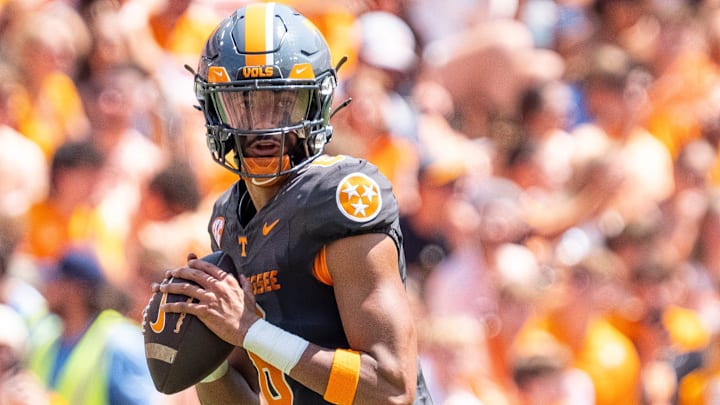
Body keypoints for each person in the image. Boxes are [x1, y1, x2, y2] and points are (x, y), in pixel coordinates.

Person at [152, 3, 432, 404]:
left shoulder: (340, 197)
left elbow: (390, 389)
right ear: (215, 110)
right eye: (244, 103)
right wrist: (207, 356)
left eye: (283, 102)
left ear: (314, 103)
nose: (264, 125)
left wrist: (251, 332)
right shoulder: (227, 220)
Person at [28, 248, 160, 405]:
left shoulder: (120, 342)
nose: (46, 287)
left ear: (75, 290)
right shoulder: (45, 338)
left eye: (55, 280)